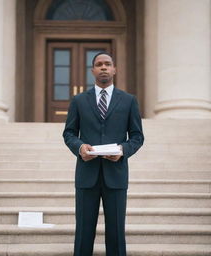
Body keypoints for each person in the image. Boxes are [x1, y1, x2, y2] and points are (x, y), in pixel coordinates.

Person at [63, 52, 144, 256]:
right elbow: (69, 133)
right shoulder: (79, 101)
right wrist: (80, 147)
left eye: (107, 64)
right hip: (86, 174)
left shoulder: (128, 101)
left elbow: (137, 136)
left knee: (116, 232)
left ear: (114, 69)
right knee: (83, 231)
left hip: (115, 174)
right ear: (93, 71)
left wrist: (123, 151)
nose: (103, 67)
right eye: (99, 64)